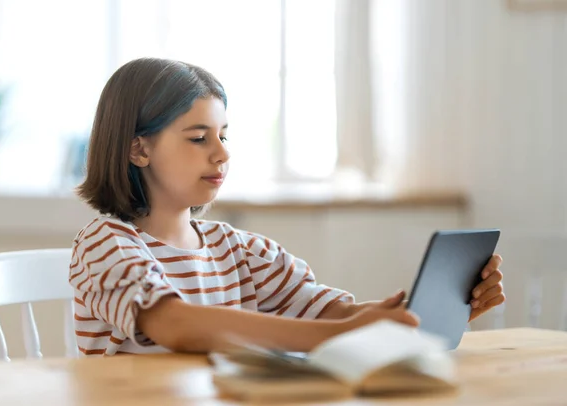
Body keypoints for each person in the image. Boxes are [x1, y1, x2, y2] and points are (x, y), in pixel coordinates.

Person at [69, 58, 505, 356]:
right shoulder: (105, 245)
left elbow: (336, 312)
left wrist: (436, 308)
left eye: (225, 135)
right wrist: (342, 334)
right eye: (199, 138)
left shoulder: (240, 252)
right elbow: (176, 325)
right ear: (138, 149)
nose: (221, 154)